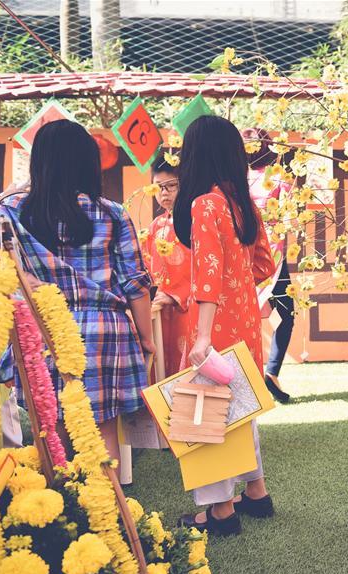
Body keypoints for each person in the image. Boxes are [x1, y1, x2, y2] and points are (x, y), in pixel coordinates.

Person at [0, 120, 155, 469]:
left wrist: (20, 274)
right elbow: (135, 282)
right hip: (104, 330)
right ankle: (111, 512)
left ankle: (62, 512)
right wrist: (146, 338)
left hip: (43, 328)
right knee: (102, 430)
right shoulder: (112, 212)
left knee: (53, 431)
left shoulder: (16, 210)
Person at [174, 115, 277, 536]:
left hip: (213, 329)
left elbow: (207, 275)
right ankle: (256, 492)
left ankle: (219, 512)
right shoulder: (242, 205)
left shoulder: (204, 205)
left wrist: (201, 335)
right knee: (239, 411)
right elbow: (265, 264)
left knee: (205, 419)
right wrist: (237, 291)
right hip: (247, 325)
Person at [242, 127, 292, 403]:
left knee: (277, 313)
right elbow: (289, 213)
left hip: (259, 253)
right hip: (266, 253)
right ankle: (265, 371)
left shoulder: (239, 177)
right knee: (282, 313)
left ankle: (268, 372)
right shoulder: (275, 176)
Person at [143, 155, 190, 377]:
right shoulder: (155, 226)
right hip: (160, 311)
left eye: (171, 186)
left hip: (188, 310)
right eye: (159, 187)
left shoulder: (195, 220)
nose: (164, 193)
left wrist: (176, 295)